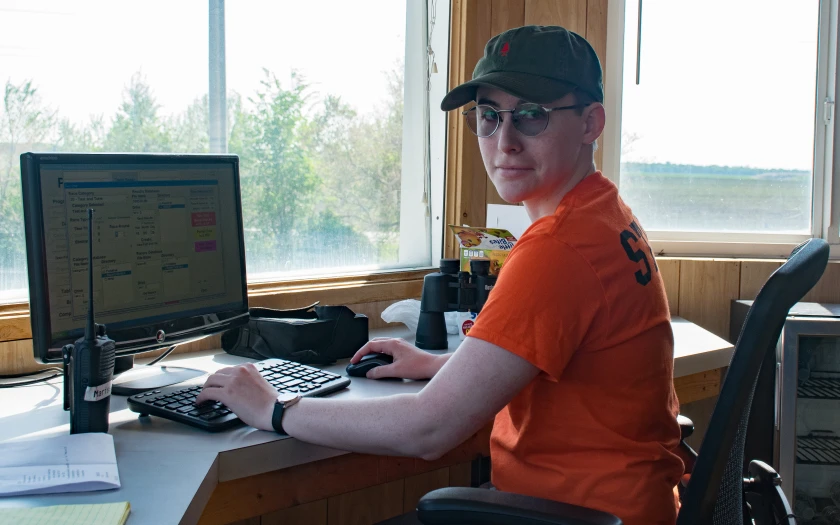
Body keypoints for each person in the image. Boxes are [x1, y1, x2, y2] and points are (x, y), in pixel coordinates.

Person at [196, 25, 683, 525]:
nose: (505, 142)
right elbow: (556, 359)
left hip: (575, 515)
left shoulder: (559, 249)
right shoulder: (602, 213)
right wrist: (439, 365)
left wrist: (274, 409)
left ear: (590, 123)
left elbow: (427, 430)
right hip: (625, 507)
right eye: (489, 117)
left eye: (532, 116)